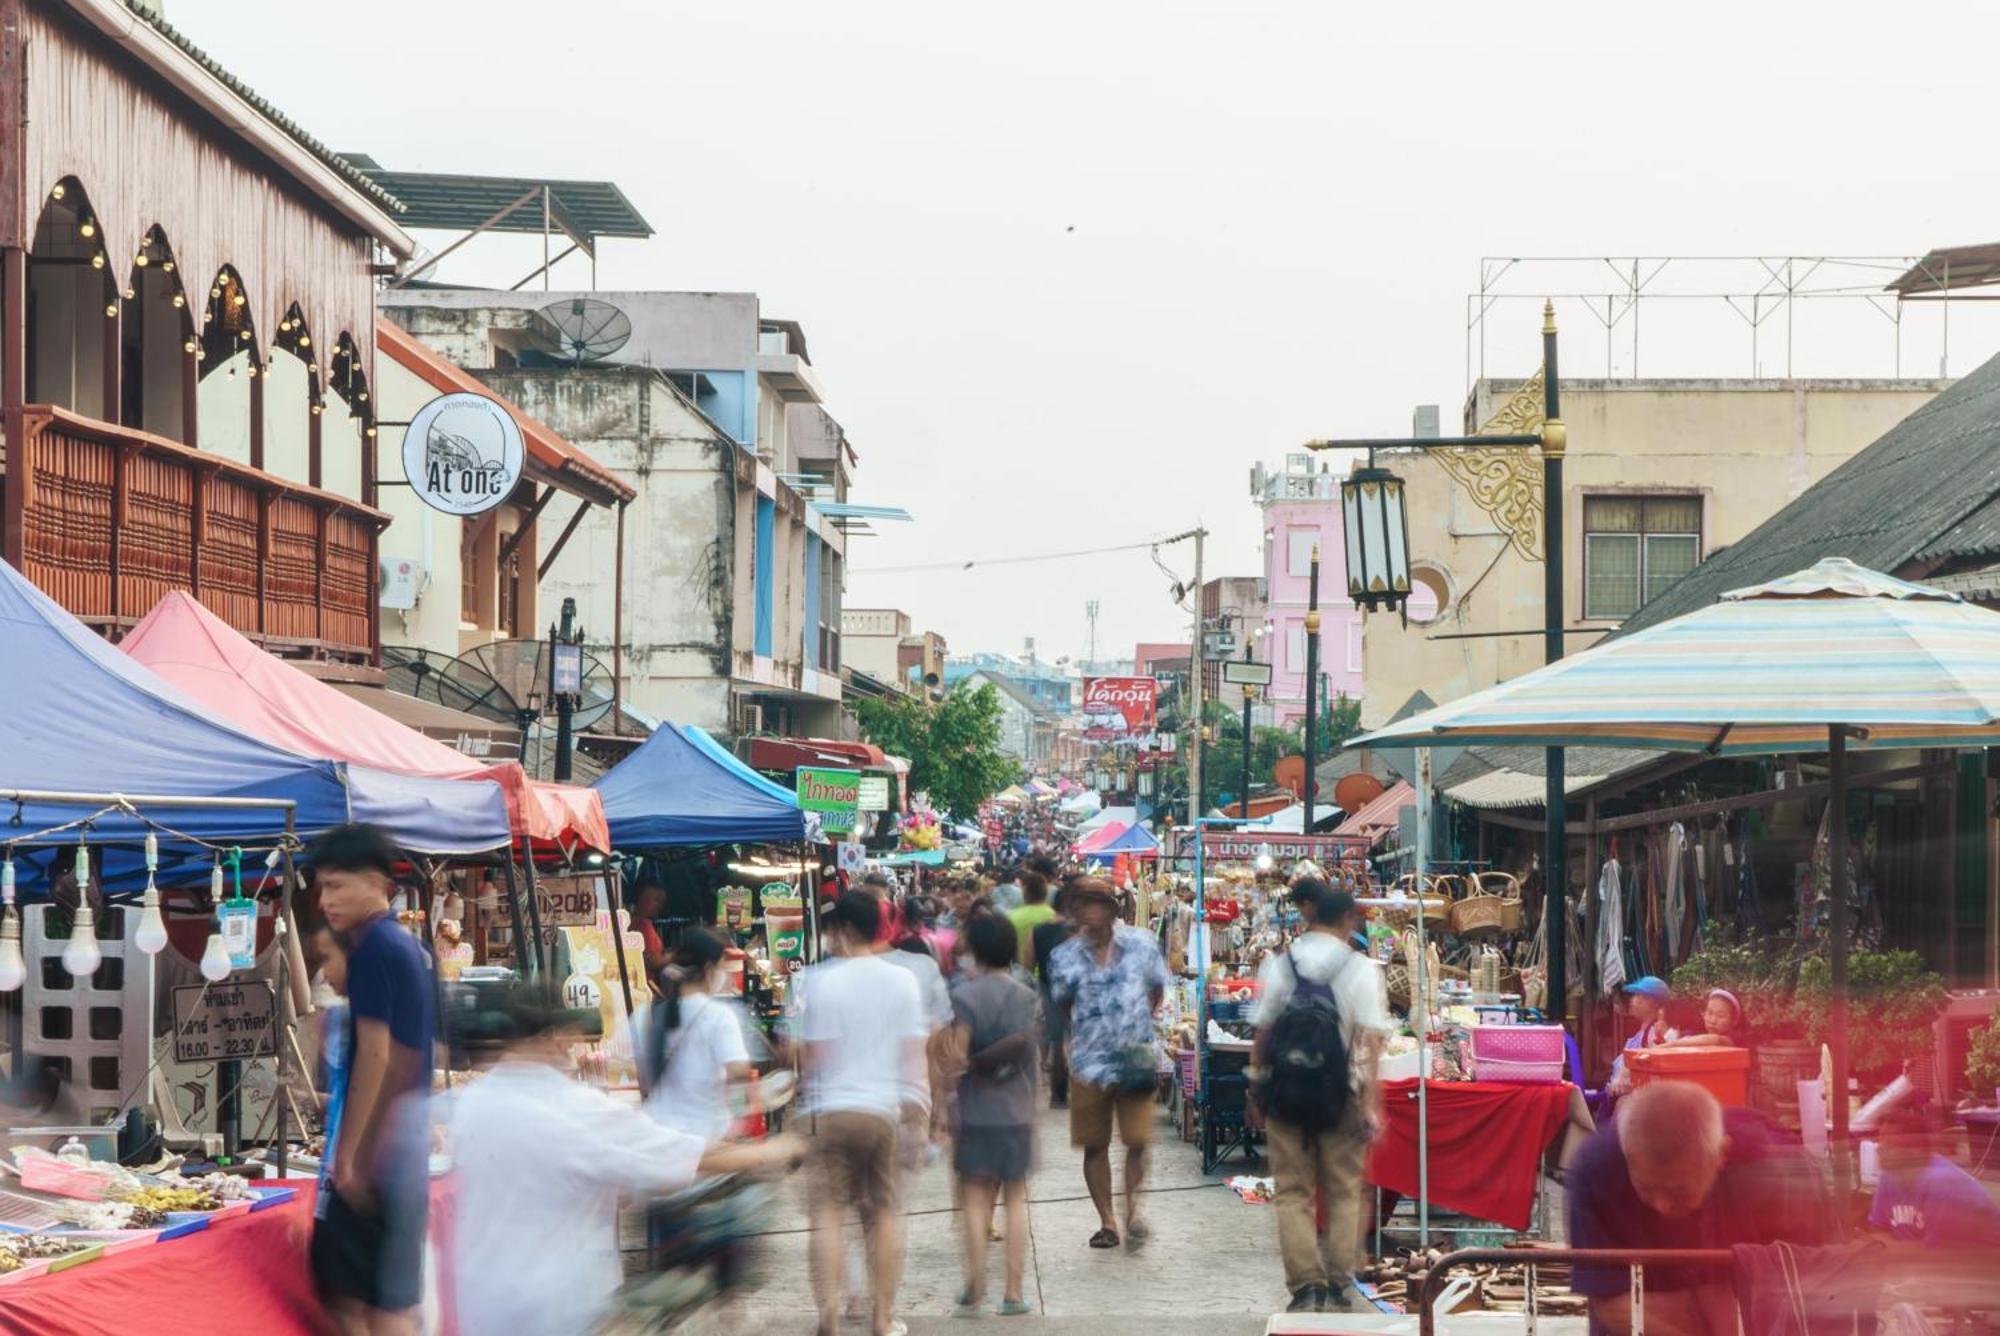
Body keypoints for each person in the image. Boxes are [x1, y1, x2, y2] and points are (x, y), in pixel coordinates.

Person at [449, 987, 803, 1335]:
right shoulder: (576, 1107)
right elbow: (686, 1156)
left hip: (481, 1303)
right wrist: (768, 1151)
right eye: (572, 1040)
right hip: (558, 1306)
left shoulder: (470, 1103)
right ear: (554, 1038)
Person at [1568, 1081, 1833, 1336]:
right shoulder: (1597, 1169)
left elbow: (1814, 1290)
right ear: (1628, 1159)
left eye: (1677, 1190)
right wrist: (1723, 1308)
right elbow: (1616, 1309)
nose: (1662, 1205)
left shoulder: (1775, 1168)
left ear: (1721, 1154)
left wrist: (1700, 1308)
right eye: (1647, 1190)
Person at [308, 824, 436, 1336]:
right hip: (402, 1141)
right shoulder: (400, 944)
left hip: (386, 1150)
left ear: (375, 881)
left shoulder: (375, 948)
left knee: (377, 1305)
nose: (325, 901)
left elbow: (379, 1056)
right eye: (322, 887)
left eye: (336, 886)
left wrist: (351, 1155)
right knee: (376, 1298)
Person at [794, 893, 928, 1336]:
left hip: (831, 1110)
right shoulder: (902, 980)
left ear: (845, 930)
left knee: (830, 1212)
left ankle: (829, 1316)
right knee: (884, 1214)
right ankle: (882, 1318)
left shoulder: (818, 981)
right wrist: (919, 1117)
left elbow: (812, 1056)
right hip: (881, 1111)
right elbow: (914, 1056)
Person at [1250, 883, 1386, 1314]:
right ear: (1348, 919)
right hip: (1340, 1093)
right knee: (1345, 1190)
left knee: (1292, 1192)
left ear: (1311, 916)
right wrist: (1371, 1103)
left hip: (1286, 1092)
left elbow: (1262, 1033)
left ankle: (1305, 1286)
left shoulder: (1279, 965)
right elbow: (1374, 1042)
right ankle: (1338, 1280)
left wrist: (1257, 1086)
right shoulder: (1361, 969)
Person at [1046, 877, 1170, 1251]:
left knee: (1137, 1140)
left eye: (1095, 902)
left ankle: (1132, 1210)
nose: (1087, 910)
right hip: (1089, 1063)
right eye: (1080, 903)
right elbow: (1064, 1004)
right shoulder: (1064, 957)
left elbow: (1156, 991)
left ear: (1111, 908)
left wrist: (1134, 1025)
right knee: (1094, 1145)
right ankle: (1108, 1221)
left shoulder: (1141, 944)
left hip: (1134, 1057)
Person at [948, 914, 1041, 1318]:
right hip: (1017, 1110)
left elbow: (956, 1057)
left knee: (974, 1198)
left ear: (975, 951)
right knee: (1016, 1197)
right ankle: (1014, 1292)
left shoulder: (965, 996)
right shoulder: (1027, 996)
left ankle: (975, 1284)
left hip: (974, 1111)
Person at [642, 928, 754, 1143]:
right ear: (710, 969)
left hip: (657, 1137)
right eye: (723, 967)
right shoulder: (719, 1016)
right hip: (705, 1141)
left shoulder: (646, 1014)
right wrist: (742, 1118)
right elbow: (738, 1073)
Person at [1868, 1099, 2000, 1248]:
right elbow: (1878, 1231)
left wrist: (1886, 1251)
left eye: (1889, 1138)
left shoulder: (1942, 1183)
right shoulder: (1889, 1175)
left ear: (1916, 1147)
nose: (1880, 1147)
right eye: (1881, 1137)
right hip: (1918, 1264)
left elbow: (1936, 1254)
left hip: (1981, 1265)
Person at [1032, 886, 1079, 1109]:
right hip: (1076, 989)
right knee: (1075, 1040)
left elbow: (1027, 961)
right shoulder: (1078, 931)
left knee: (1058, 1041)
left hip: (1048, 987)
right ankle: (1075, 1091)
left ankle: (1058, 1095)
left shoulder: (1039, 930)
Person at [1604, 975, 1676, 1097]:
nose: (1634, 1000)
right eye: (1635, 995)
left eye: (1642, 996)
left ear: (1656, 1003)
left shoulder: (1655, 1032)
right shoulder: (1643, 1030)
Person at [1660, 988, 1749, 1050]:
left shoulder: (1734, 1039)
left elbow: (1716, 1040)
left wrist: (1672, 1044)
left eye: (1720, 1016)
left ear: (1734, 1021)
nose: (1713, 1020)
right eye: (1709, 1013)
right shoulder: (1697, 1033)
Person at [1008, 871, 1058, 970]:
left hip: (1021, 974)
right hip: (1047, 974)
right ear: (1045, 892)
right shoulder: (1054, 916)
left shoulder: (1013, 917)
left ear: (1024, 892)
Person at [631, 881, 670, 989]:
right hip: (647, 986)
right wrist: (675, 959)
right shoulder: (643, 925)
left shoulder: (634, 921)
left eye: (662, 902)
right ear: (643, 900)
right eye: (657, 900)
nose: (660, 906)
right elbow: (649, 960)